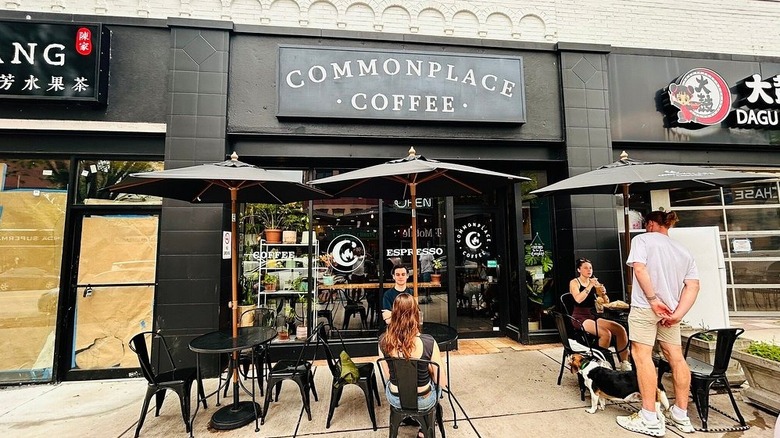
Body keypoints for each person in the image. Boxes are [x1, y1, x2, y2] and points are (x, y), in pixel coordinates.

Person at [617, 210, 700, 437]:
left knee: (642, 356)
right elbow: (693, 286)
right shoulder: (683, 250)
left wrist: (653, 300)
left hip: (646, 307)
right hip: (670, 312)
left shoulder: (642, 240)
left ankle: (649, 417)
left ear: (652, 224)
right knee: (676, 358)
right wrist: (677, 314)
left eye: (646, 224)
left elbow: (639, 268)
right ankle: (680, 414)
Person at [378, 292, 447, 437]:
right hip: (423, 400)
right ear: (415, 314)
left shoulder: (383, 342)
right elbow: (442, 381)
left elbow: (389, 376)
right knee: (436, 387)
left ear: (394, 314)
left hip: (396, 399)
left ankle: (405, 420)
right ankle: (424, 430)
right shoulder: (429, 342)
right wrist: (428, 368)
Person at [568, 258, 631, 370]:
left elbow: (606, 302)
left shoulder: (594, 282)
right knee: (605, 334)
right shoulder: (575, 282)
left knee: (620, 329)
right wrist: (590, 286)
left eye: (590, 268)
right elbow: (578, 299)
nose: (589, 270)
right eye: (585, 268)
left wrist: (603, 293)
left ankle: (624, 363)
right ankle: (601, 363)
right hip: (580, 316)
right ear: (579, 270)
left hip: (594, 315)